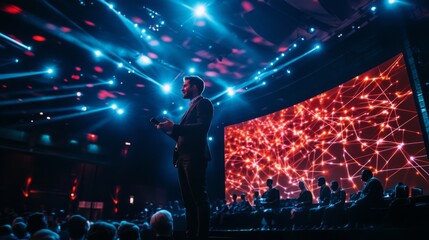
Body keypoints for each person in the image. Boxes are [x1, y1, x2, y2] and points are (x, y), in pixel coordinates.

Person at [156, 75, 214, 240]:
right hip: (183, 157)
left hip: (194, 156)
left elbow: (202, 128)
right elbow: (183, 137)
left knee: (198, 197)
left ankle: (201, 235)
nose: (182, 88)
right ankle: (191, 235)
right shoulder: (191, 107)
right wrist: (170, 132)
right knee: (188, 201)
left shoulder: (204, 103)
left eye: (185, 85)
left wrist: (175, 127)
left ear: (194, 87)